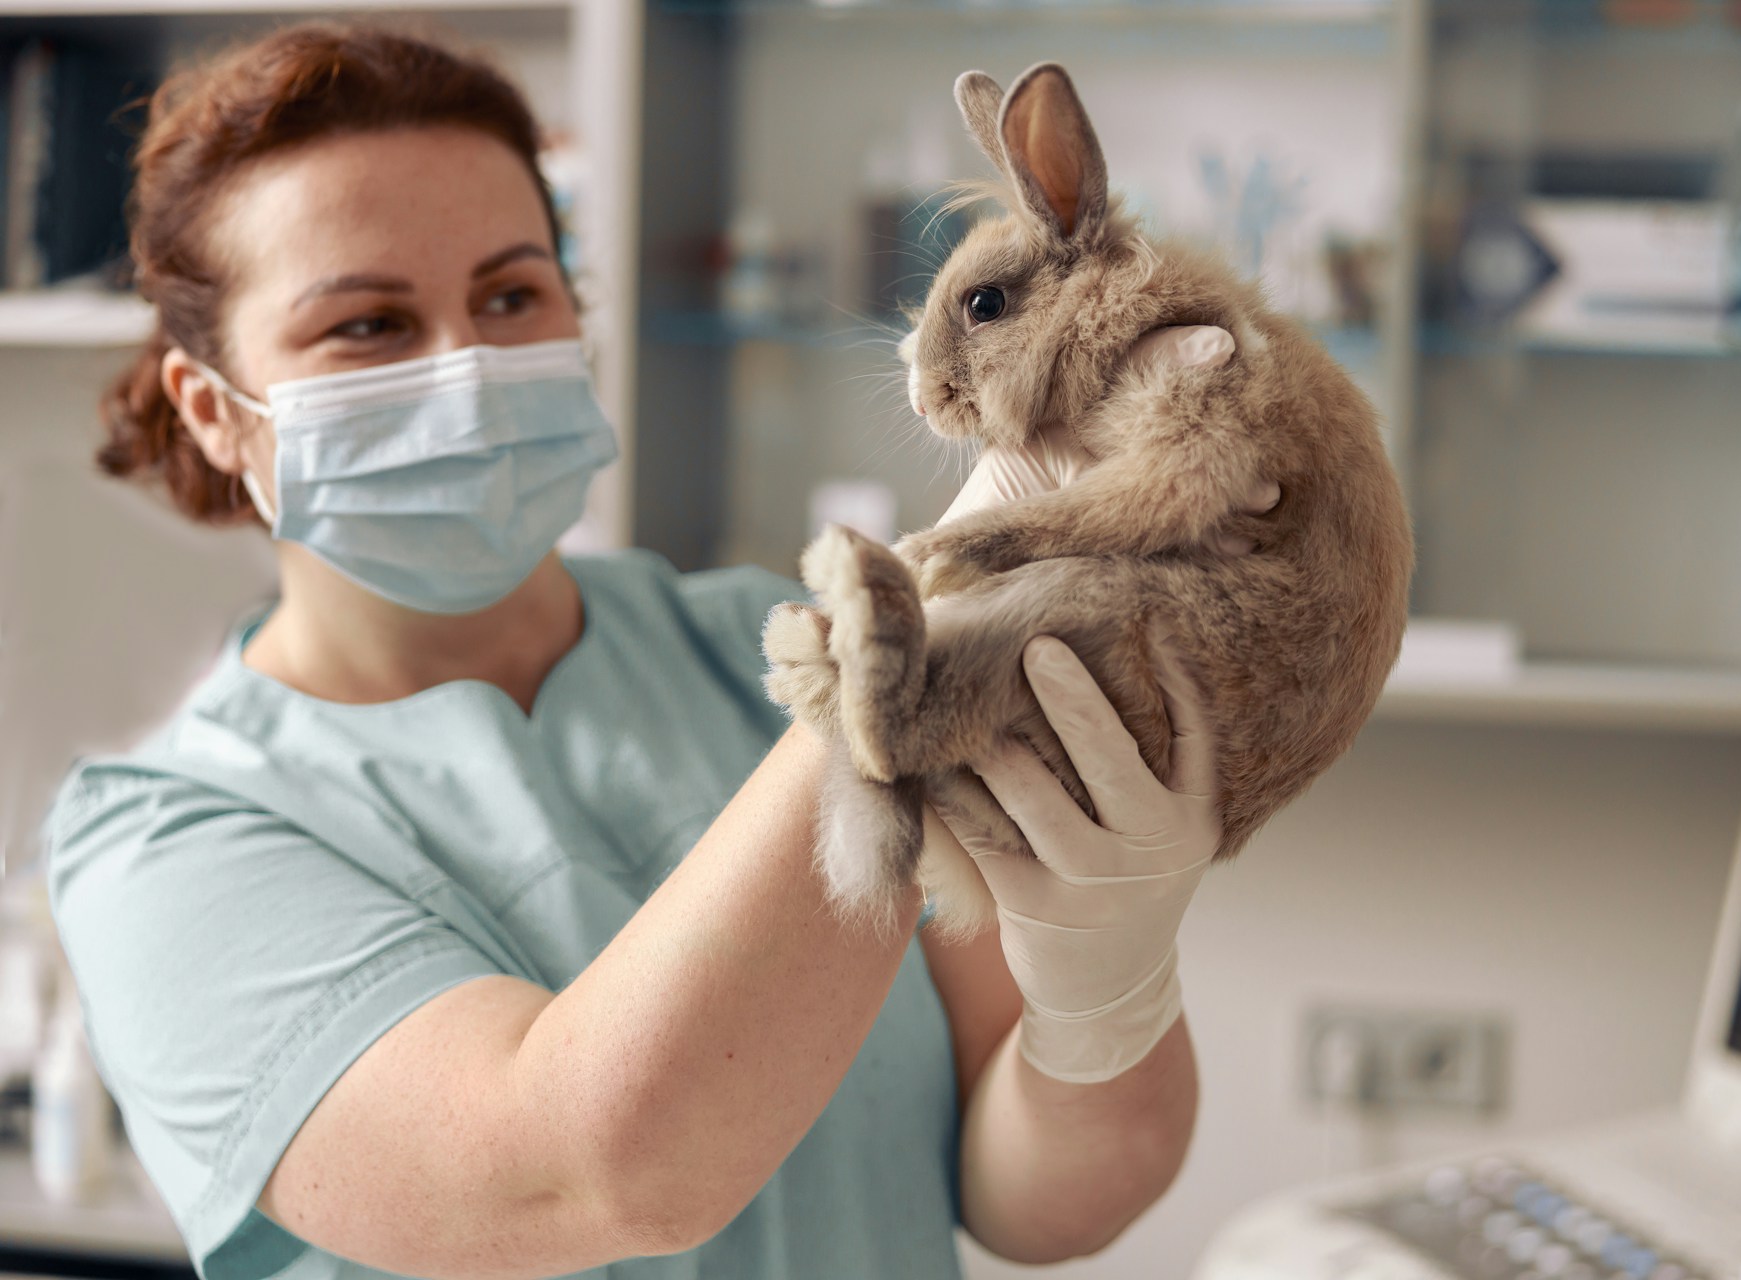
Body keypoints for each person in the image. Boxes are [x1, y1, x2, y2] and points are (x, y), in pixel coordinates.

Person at [41, 22, 1245, 1280]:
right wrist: (940, 597)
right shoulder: (165, 848)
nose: (468, 369)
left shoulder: (752, 645)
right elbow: (593, 1171)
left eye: (512, 295)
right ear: (211, 411)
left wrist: (1105, 1002)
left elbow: (1041, 1207)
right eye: (368, 326)